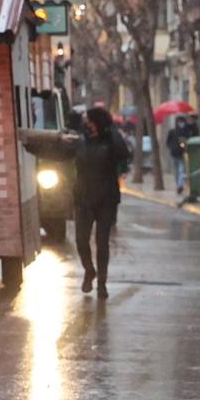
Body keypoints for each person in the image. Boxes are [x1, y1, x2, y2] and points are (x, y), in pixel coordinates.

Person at [73, 105, 131, 300]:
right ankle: (89, 270)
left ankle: (102, 283)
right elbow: (59, 151)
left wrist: (111, 129)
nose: (85, 122)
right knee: (81, 240)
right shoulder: (80, 141)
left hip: (106, 199)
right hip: (83, 199)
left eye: (88, 119)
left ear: (97, 122)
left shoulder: (112, 142)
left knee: (102, 243)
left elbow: (124, 153)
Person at [166, 115, 191, 195]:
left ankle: (180, 185)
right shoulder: (172, 131)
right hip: (174, 154)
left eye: (182, 122)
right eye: (180, 122)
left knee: (181, 170)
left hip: (182, 153)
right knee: (177, 171)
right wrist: (172, 147)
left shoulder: (186, 132)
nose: (181, 123)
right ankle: (178, 185)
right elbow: (168, 142)